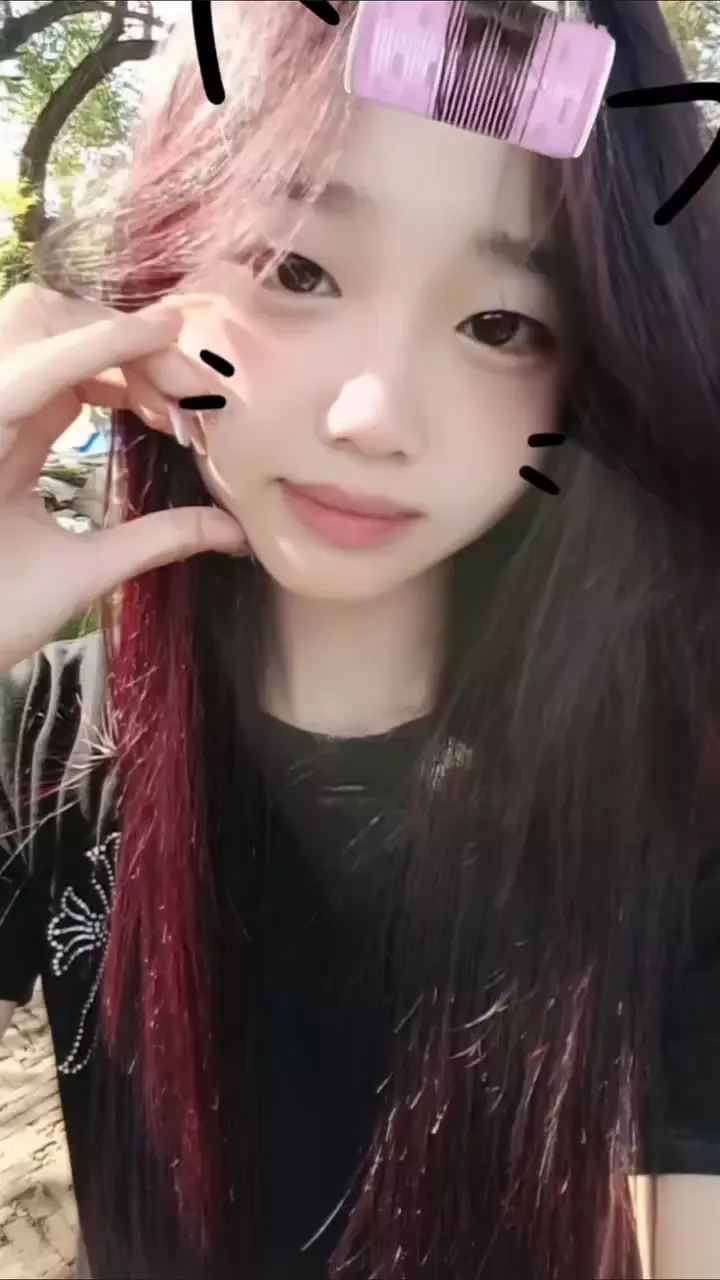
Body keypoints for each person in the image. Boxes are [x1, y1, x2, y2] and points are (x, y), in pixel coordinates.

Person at [1, 1, 720, 1276]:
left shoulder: (675, 792)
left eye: (501, 325)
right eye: (298, 268)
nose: (374, 413)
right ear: (162, 271)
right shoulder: (45, 745)